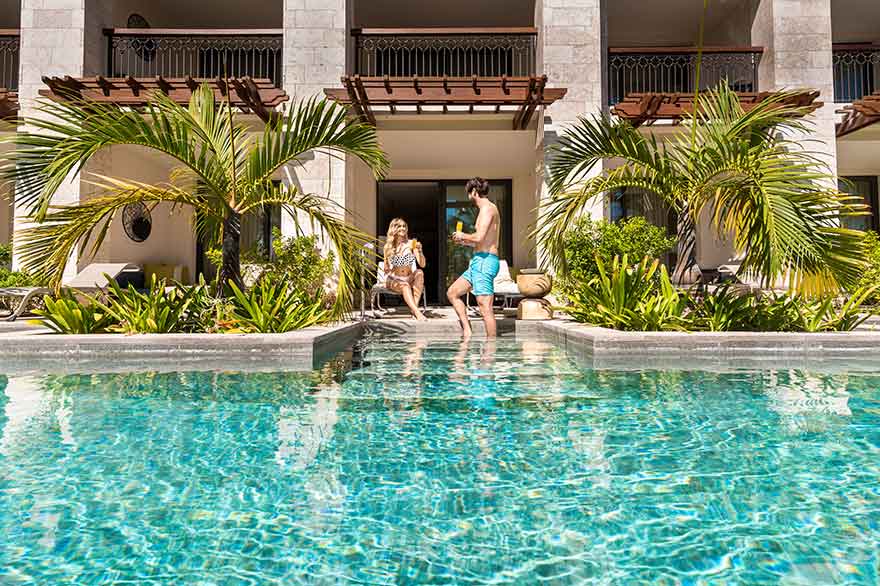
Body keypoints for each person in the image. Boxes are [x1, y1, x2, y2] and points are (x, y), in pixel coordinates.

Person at [446, 177, 500, 337]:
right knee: (453, 293)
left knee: (484, 307)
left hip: (485, 261)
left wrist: (464, 235)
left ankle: (490, 352)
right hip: (478, 261)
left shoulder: (487, 209)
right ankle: (468, 330)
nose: (468, 196)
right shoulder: (487, 210)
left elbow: (479, 237)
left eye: (469, 192)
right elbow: (479, 241)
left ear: (474, 192)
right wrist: (464, 242)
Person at [383, 217, 427, 321]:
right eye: (399, 226)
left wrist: (420, 251)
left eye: (404, 226)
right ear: (394, 228)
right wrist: (387, 267)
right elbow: (386, 268)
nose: (403, 228)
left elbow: (422, 264)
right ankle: (417, 312)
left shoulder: (412, 243)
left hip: (408, 277)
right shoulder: (388, 247)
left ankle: (414, 309)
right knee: (405, 285)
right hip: (394, 279)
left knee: (420, 272)